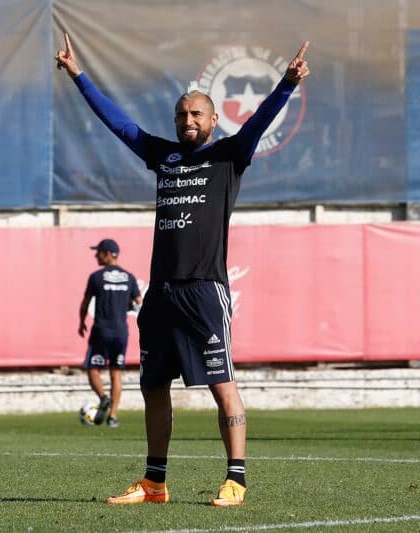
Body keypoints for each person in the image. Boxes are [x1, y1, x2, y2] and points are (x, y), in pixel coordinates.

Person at [56, 34, 310, 507]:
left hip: (204, 291)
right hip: (161, 293)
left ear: (213, 120)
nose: (187, 121)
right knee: (153, 386)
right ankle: (155, 482)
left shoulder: (229, 154)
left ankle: (236, 479)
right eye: (180, 115)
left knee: (221, 385)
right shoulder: (163, 156)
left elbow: (259, 120)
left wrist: (286, 84)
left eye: (196, 114)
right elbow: (120, 125)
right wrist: (78, 76)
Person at [78, 239, 142, 428]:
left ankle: (103, 397)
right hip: (121, 332)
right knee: (116, 374)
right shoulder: (129, 277)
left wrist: (81, 322)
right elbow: (139, 303)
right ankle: (113, 417)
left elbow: (85, 303)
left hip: (101, 330)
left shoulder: (96, 277)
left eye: (98, 252)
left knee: (93, 369)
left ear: (107, 254)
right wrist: (124, 305)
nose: (95, 255)